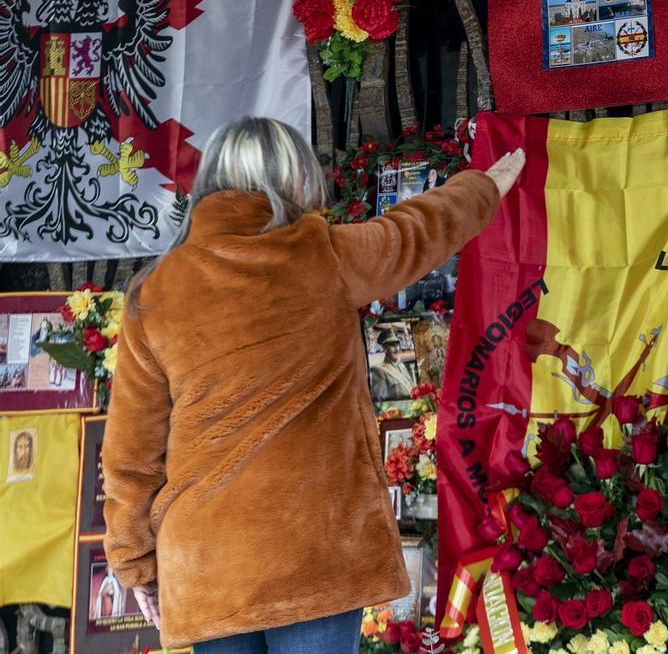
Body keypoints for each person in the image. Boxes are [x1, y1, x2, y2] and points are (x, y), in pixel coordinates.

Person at [101, 117, 525, 653]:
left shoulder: (154, 292)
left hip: (206, 564)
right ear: (295, 177)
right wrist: (482, 185)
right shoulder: (323, 254)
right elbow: (415, 231)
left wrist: (135, 566)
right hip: (314, 555)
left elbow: (129, 458)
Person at [369, 327, 420, 401]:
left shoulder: (401, 366)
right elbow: (380, 402)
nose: (397, 349)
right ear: (385, 348)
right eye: (392, 345)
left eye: (397, 345)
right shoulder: (379, 371)